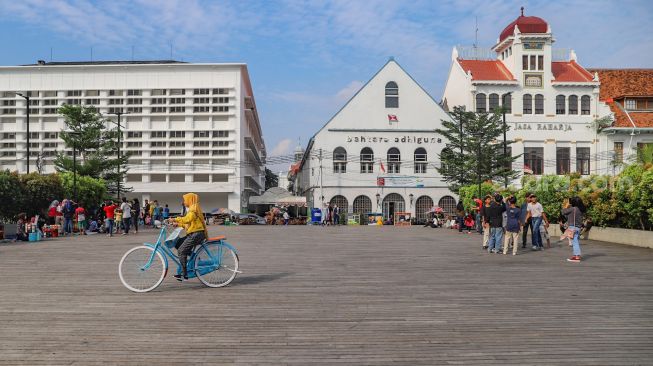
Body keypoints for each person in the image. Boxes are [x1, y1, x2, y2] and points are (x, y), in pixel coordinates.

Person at [171, 193, 208, 281]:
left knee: (181, 251)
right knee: (178, 243)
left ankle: (184, 274)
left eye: (185, 200)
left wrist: (175, 219)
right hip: (194, 233)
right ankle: (194, 257)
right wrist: (178, 224)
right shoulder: (192, 208)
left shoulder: (193, 209)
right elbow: (189, 224)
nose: (184, 202)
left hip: (197, 234)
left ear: (190, 200)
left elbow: (187, 219)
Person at [563, 196, 585, 262]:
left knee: (575, 242)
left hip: (573, 227)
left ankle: (577, 257)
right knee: (575, 241)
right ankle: (575, 255)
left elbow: (563, 212)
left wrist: (565, 206)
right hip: (578, 227)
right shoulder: (580, 209)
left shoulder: (573, 209)